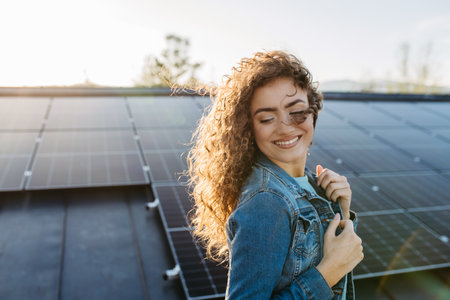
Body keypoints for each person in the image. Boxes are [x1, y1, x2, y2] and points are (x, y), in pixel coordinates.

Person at [187, 50, 363, 299]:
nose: (285, 127)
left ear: (313, 113)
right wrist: (326, 275)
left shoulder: (311, 185)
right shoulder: (267, 200)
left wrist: (341, 212)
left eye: (297, 111)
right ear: (248, 128)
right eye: (267, 118)